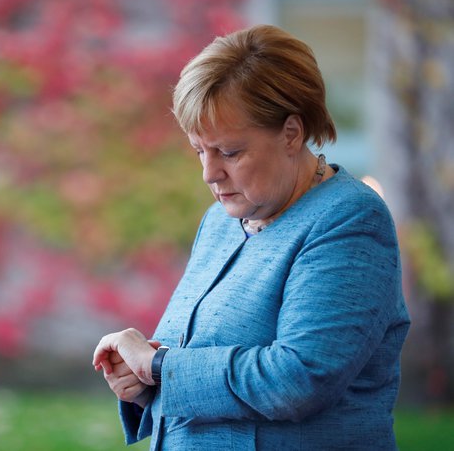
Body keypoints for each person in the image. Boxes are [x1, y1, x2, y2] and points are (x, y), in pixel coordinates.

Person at [92, 24, 410, 450]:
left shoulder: (349, 220)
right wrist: (143, 381)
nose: (209, 174)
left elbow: (297, 380)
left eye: (229, 152)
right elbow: (198, 366)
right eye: (198, 151)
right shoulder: (221, 221)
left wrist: (160, 367)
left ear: (291, 133)